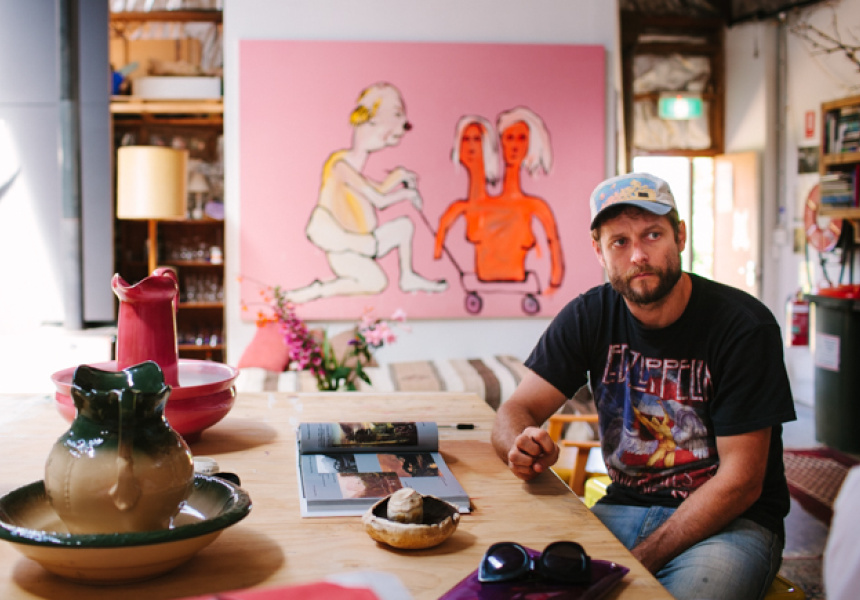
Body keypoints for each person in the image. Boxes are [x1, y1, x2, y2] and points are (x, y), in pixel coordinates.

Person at [491, 172, 797, 600]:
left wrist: (639, 561)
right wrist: (520, 445)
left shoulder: (743, 327)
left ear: (680, 236)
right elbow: (514, 410)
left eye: (653, 235)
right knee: (522, 585)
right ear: (599, 251)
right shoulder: (589, 316)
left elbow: (741, 482)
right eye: (619, 242)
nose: (638, 255)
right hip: (622, 508)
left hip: (731, 525)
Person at [289, 82, 446, 303]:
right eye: (384, 135)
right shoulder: (341, 166)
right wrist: (407, 195)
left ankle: (408, 277)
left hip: (365, 242)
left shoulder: (353, 171)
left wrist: (398, 176)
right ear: (369, 125)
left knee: (404, 227)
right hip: (345, 248)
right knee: (376, 282)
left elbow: (376, 189)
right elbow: (379, 200)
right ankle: (317, 290)